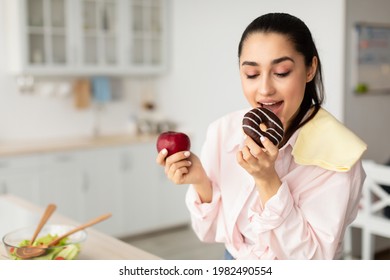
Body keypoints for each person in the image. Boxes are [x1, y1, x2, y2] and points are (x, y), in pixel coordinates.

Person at [156, 13, 367, 260]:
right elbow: (209, 233)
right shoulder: (223, 132)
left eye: (282, 71)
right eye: (252, 75)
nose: (265, 89)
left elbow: (313, 261)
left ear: (310, 69)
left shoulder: (338, 154)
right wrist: (201, 181)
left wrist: (268, 181)